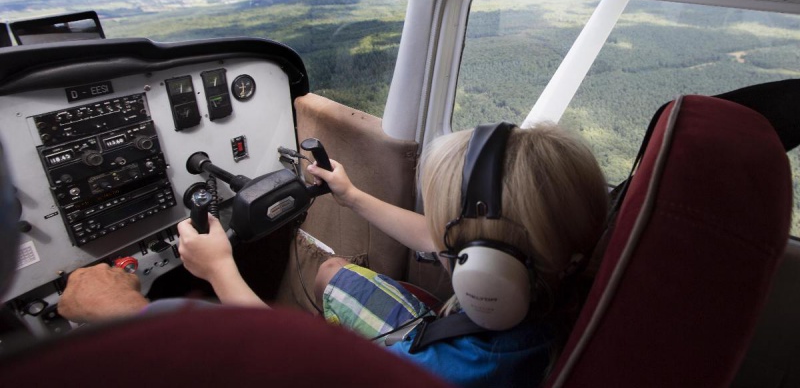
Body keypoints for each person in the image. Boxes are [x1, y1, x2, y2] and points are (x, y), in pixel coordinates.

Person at [58, 123, 608, 387]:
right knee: (330, 271)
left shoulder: (460, 375)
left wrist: (218, 270)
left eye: (451, 242)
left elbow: (281, 366)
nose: (439, 244)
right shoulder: (547, 274)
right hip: (454, 329)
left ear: (483, 270)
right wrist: (351, 195)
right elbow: (438, 238)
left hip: (424, 355)